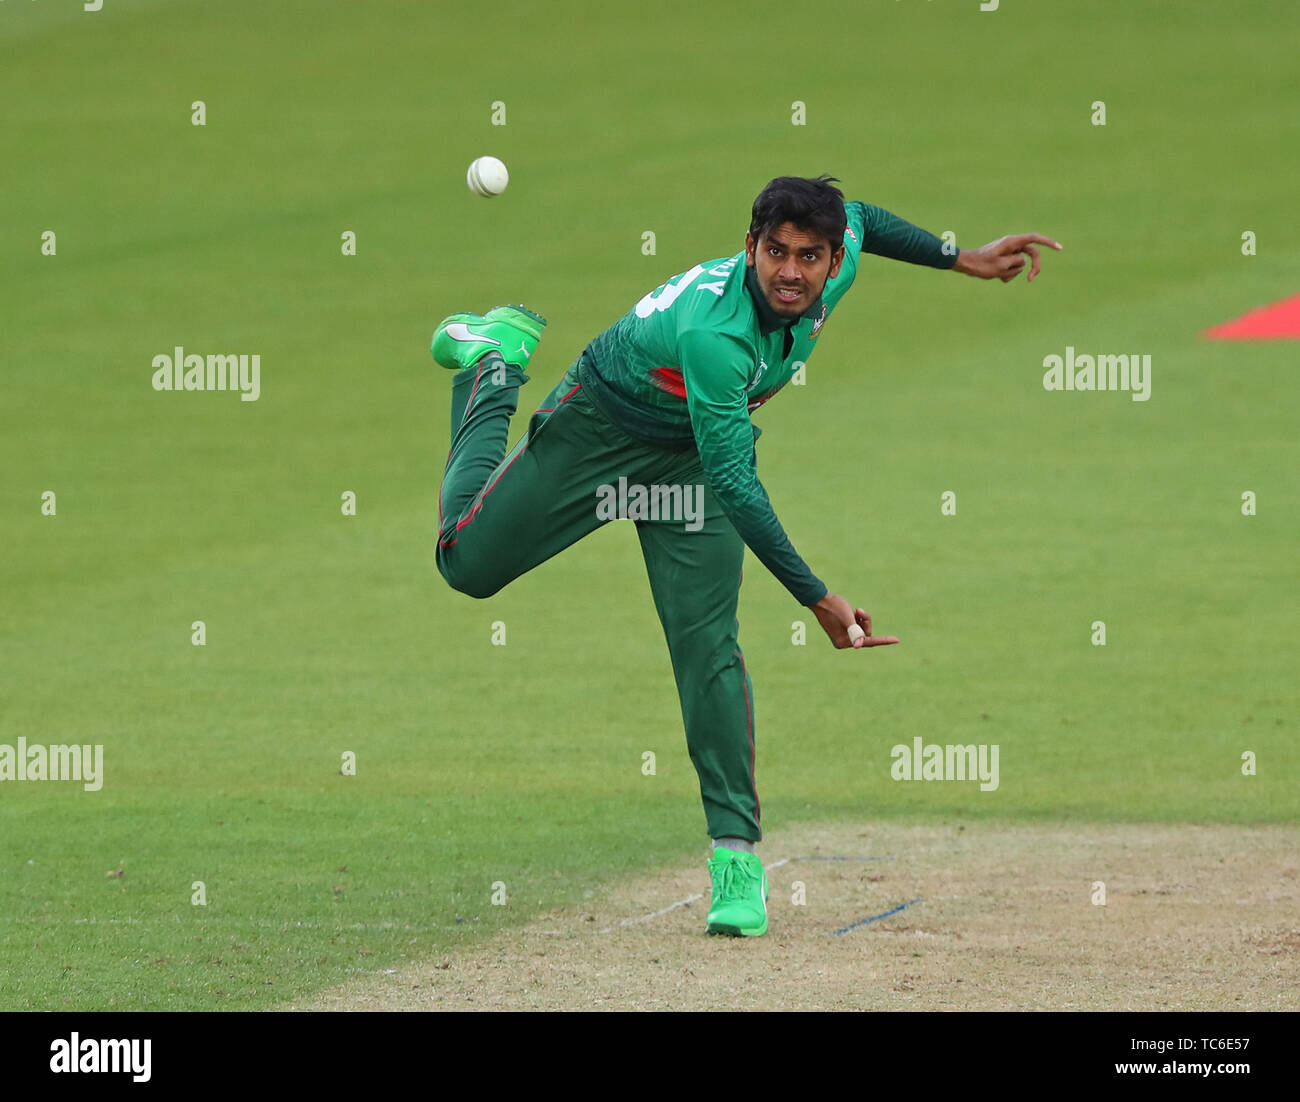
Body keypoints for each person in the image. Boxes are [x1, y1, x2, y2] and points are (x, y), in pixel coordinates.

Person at [431, 174, 1060, 937]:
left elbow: (862, 215)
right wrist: (816, 596)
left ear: (833, 262)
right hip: (601, 430)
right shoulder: (716, 335)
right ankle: (493, 364)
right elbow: (736, 480)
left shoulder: (842, 254)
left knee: (708, 651)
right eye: (774, 253)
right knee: (465, 566)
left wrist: (961, 258)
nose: (790, 272)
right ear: (750, 248)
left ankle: (736, 860)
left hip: (687, 466)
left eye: (809, 256)